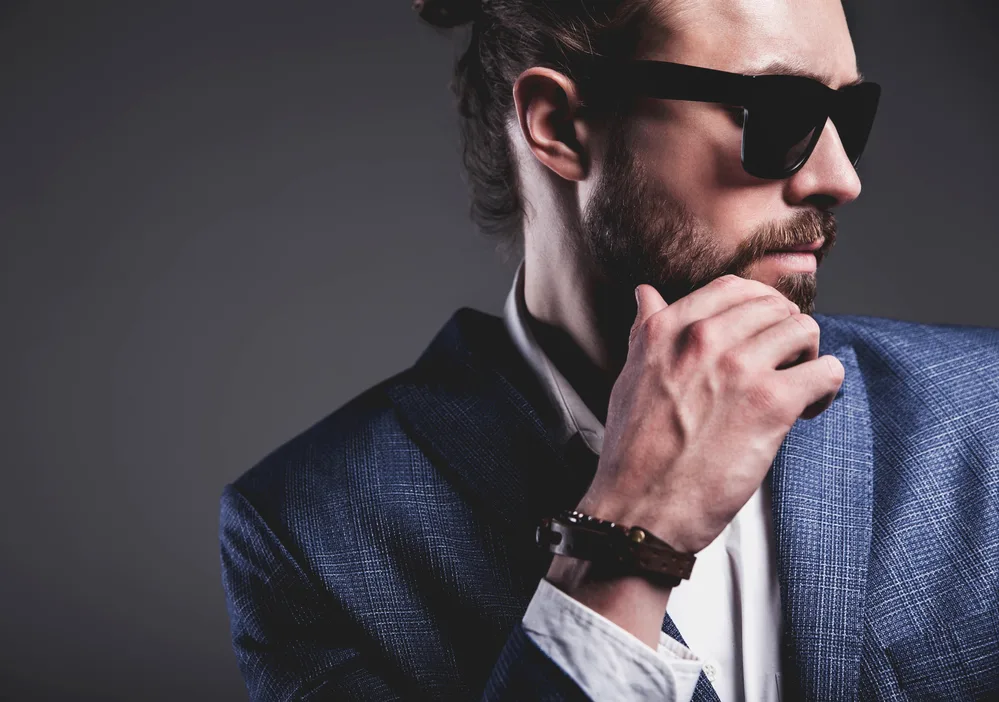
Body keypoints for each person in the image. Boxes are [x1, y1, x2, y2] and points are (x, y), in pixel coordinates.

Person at [219, 0, 999, 699]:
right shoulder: (309, 529)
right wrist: (626, 542)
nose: (840, 178)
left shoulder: (983, 414)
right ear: (558, 125)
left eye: (847, 116)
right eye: (779, 110)